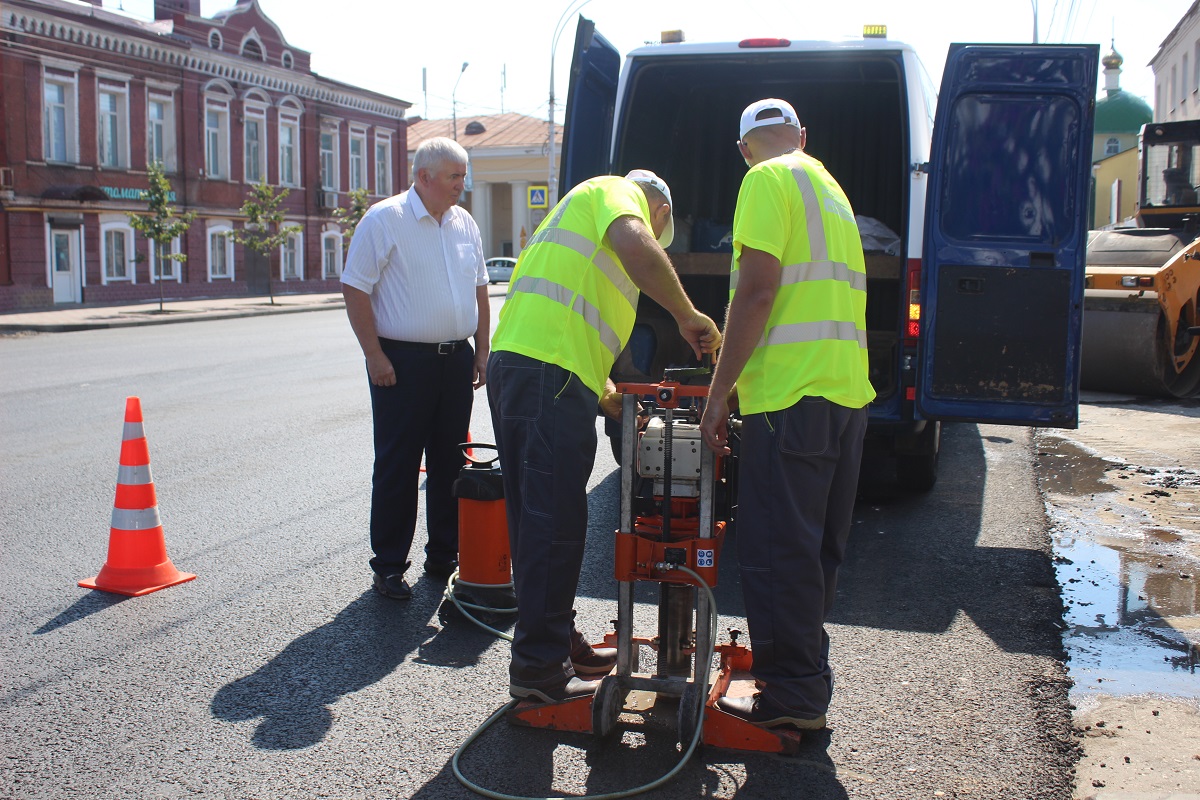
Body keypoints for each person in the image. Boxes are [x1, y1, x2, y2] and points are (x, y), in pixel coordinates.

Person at [488, 170, 721, 703]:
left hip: (528, 371)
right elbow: (634, 241)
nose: (654, 236)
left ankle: (552, 640)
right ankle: (539, 671)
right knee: (553, 524)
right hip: (549, 375)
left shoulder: (569, 228)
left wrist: (608, 390)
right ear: (658, 209)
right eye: (658, 229)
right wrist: (687, 315)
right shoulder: (616, 193)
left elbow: (581, 319)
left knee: (536, 523)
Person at [698, 99, 876, 731]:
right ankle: (805, 684)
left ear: (745, 148)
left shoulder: (764, 180)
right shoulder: (832, 193)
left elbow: (758, 289)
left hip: (787, 399)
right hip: (844, 396)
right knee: (816, 551)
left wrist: (719, 394)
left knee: (778, 552)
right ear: (803, 134)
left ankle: (794, 698)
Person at [342, 136, 490, 601]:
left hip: (456, 360)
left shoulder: (464, 222)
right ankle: (388, 566)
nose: (461, 187)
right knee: (398, 466)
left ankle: (444, 557)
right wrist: (374, 355)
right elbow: (355, 287)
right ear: (423, 177)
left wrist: (482, 351)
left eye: (464, 177)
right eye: (453, 177)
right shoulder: (385, 219)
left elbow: (481, 289)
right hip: (400, 364)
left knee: (451, 463)